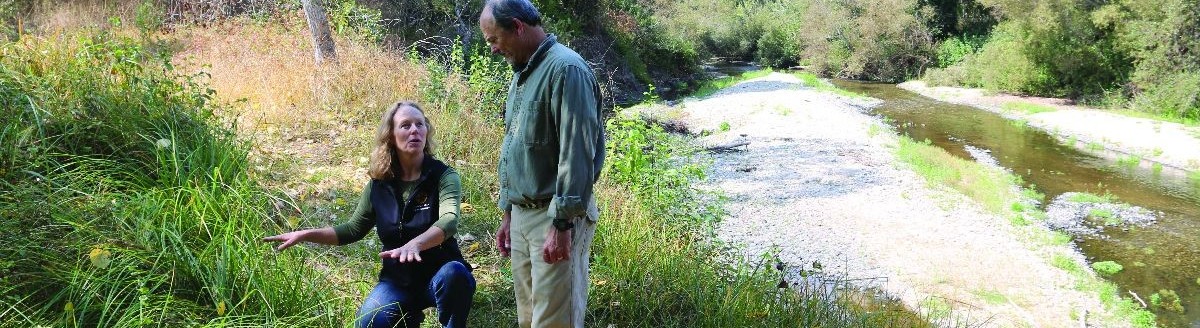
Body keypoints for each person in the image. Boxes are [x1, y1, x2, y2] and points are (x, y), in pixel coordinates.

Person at [263, 102, 475, 328]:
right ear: (391, 137)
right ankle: (408, 317)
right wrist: (306, 234)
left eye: (419, 124)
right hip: (397, 282)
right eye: (405, 125)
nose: (414, 130)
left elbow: (449, 220)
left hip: (440, 274)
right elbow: (353, 229)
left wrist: (415, 244)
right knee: (367, 323)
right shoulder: (379, 185)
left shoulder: (444, 176)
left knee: (456, 274)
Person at [478, 1, 605, 327]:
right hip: (522, 217)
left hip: (555, 217)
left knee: (554, 321)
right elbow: (516, 147)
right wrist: (508, 212)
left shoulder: (566, 69)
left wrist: (562, 224)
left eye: (494, 40)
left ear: (517, 27)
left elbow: (577, 154)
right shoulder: (523, 72)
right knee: (529, 318)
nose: (493, 49)